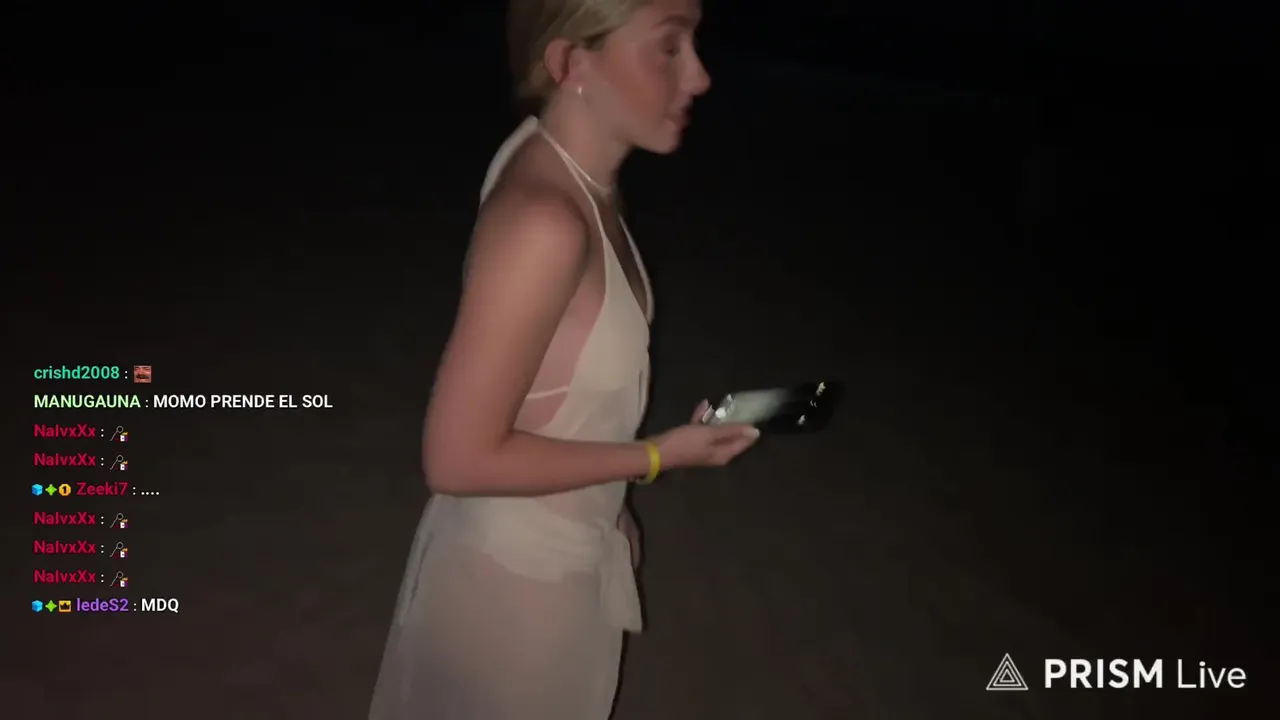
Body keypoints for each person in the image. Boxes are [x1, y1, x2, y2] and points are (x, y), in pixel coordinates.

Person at [366, 0, 759, 718]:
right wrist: (654, 458)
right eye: (669, 47)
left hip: (558, 562)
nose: (700, 76)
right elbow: (455, 460)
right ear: (572, 62)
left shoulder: (575, 176)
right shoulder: (547, 222)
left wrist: (611, 509)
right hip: (512, 599)